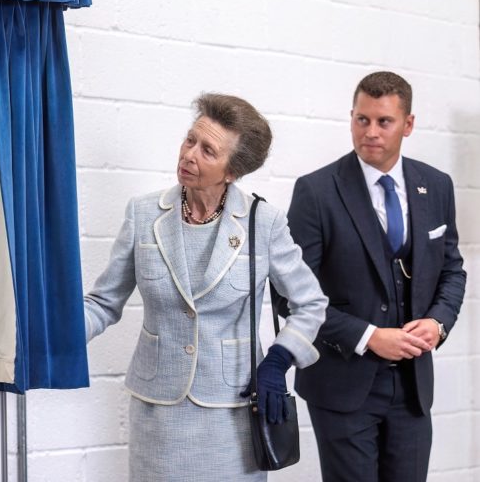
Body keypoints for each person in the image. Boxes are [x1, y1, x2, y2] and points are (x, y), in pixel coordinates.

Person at [84, 93, 328, 481]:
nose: (189, 155)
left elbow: (310, 303)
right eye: (189, 140)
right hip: (158, 411)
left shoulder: (262, 222)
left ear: (232, 171)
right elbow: (102, 303)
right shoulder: (144, 212)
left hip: (232, 412)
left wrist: (279, 359)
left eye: (208, 151)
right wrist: (54, 336)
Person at [287, 72, 467, 482]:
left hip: (412, 385)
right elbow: (292, 298)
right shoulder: (316, 192)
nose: (370, 131)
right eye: (361, 119)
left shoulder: (436, 185)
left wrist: (438, 323)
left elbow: (452, 269)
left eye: (383, 121)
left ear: (408, 125)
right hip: (342, 382)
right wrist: (369, 336)